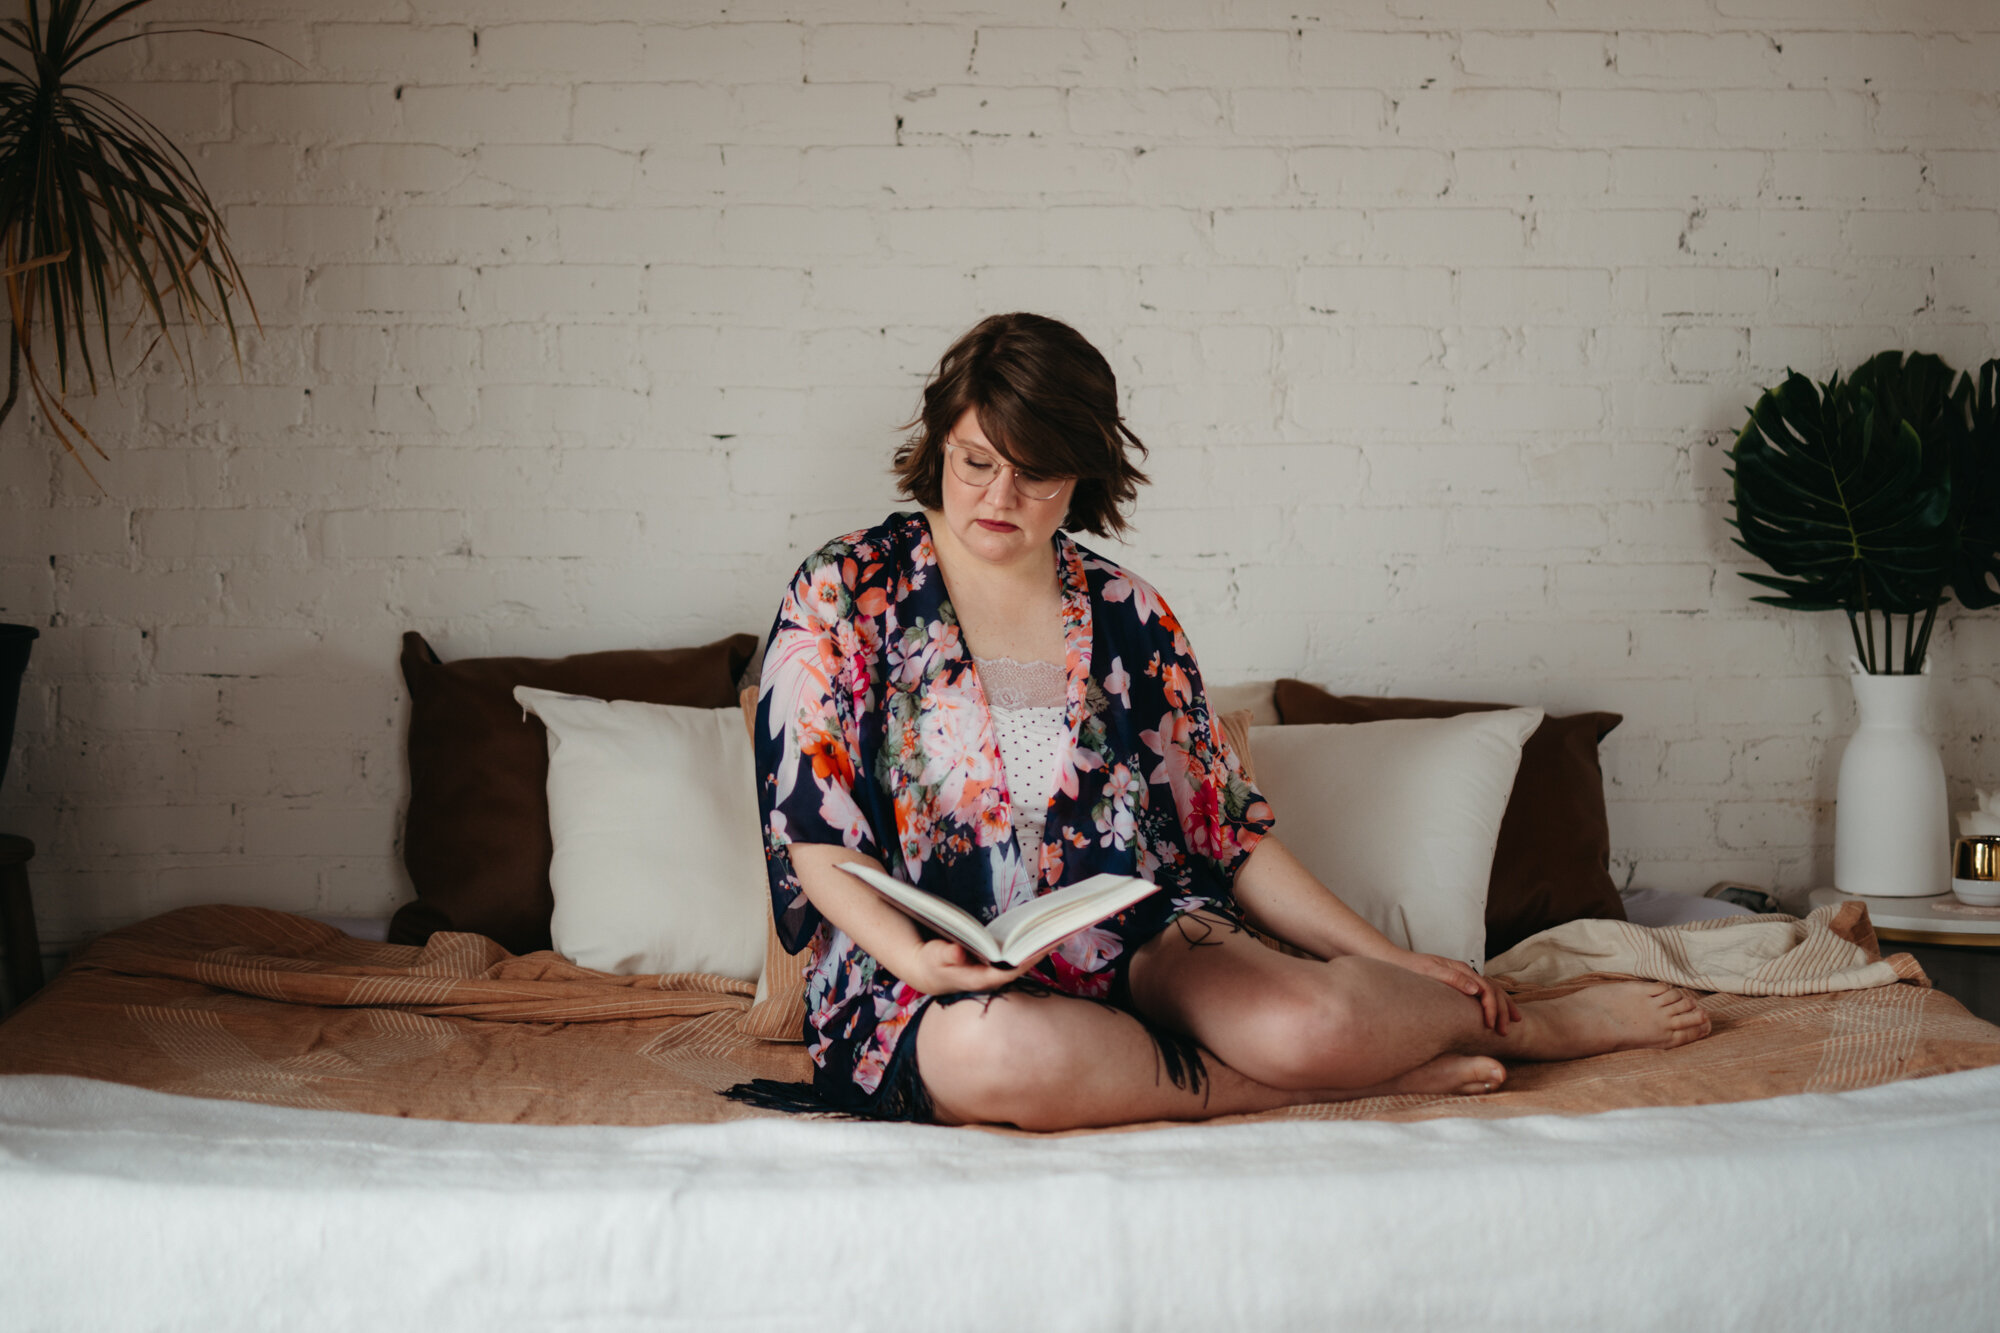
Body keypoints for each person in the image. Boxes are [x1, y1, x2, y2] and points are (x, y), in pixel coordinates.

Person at [741, 313, 1710, 1131]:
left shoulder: (1127, 611)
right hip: (921, 977)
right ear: (938, 441)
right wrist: (915, 956)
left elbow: (1222, 832)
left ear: (1083, 472)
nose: (999, 498)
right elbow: (815, 837)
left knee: (1308, 1023)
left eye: (1034, 474)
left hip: (1132, 937)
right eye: (976, 462)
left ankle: (1523, 1026)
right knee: (1001, 1054)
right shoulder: (845, 588)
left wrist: (1385, 957)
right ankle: (1352, 1085)